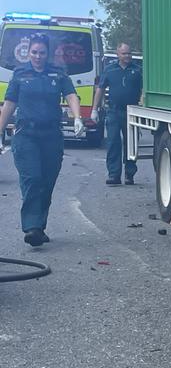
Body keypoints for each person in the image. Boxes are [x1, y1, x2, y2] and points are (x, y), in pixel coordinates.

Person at [0, 33, 83, 247]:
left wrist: (77, 118)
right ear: (28, 53)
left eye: (42, 52)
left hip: (51, 136)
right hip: (26, 135)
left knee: (46, 182)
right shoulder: (20, 74)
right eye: (34, 52)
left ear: (48, 54)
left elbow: (72, 95)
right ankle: (31, 227)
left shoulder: (58, 73)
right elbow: (9, 104)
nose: (38, 56)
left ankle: (39, 226)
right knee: (33, 179)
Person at [93, 43, 143, 185]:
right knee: (113, 143)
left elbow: (144, 90)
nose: (127, 56)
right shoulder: (109, 70)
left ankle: (129, 174)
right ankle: (114, 175)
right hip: (114, 111)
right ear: (117, 54)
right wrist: (94, 109)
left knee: (131, 144)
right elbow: (100, 89)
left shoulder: (138, 70)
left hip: (132, 111)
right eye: (124, 53)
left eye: (129, 53)